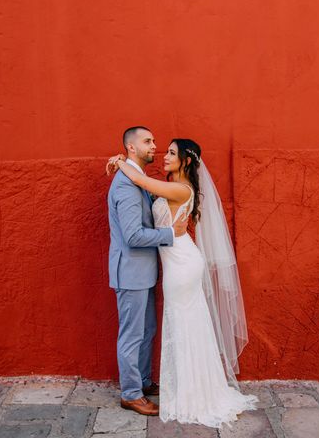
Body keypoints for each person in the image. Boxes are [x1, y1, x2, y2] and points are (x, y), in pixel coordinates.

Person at [106, 136, 258, 428]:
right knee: (185, 323)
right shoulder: (171, 187)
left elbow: (147, 185)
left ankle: (193, 390)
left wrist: (121, 162)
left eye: (172, 153)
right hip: (176, 261)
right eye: (159, 147)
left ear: (186, 161)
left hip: (182, 264)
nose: (163, 154)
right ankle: (190, 384)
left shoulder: (179, 188)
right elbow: (149, 196)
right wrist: (123, 163)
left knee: (183, 322)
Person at [106, 126, 189, 416]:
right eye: (148, 141)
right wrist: (170, 233)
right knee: (131, 334)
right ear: (131, 148)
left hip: (143, 271)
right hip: (130, 272)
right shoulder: (126, 185)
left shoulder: (137, 179)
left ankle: (142, 381)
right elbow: (132, 236)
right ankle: (130, 394)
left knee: (146, 330)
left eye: (154, 141)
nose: (155, 146)